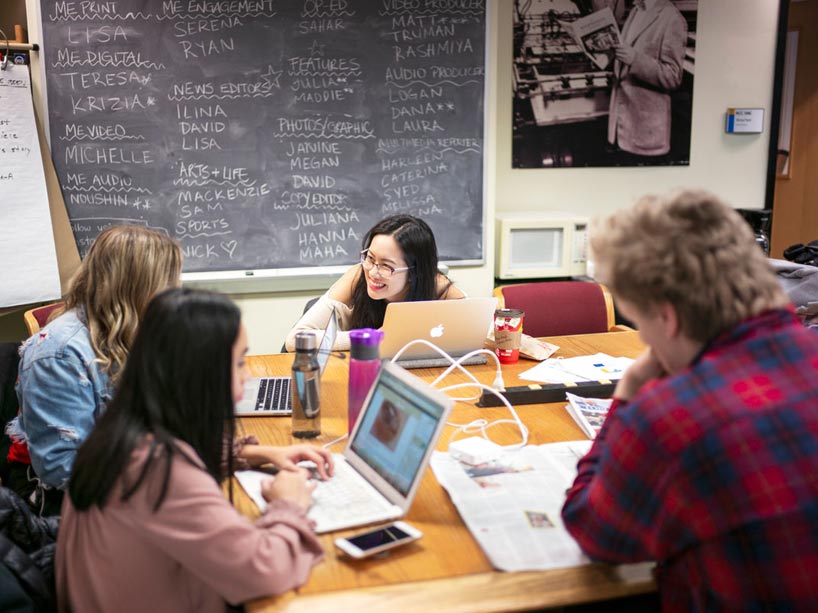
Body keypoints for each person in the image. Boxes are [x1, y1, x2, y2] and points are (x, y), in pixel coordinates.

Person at [561, 190, 818, 610]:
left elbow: (594, 531)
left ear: (668, 316)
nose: (644, 339)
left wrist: (627, 395)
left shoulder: (673, 414)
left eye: (640, 322)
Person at [57, 288, 333, 612]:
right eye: (240, 362)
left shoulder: (125, 427)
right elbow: (264, 569)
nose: (247, 375)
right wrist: (289, 504)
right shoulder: (159, 469)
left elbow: (189, 448)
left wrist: (259, 454)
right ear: (199, 372)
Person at [12, 225, 183, 515]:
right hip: (77, 507)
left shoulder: (132, 330)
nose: (175, 293)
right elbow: (62, 467)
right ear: (136, 287)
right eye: (167, 283)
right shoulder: (58, 355)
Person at [285, 214, 465, 351]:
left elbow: (480, 334)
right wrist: (373, 337)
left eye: (387, 266)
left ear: (413, 272)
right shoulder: (357, 277)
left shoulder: (438, 287)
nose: (372, 272)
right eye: (370, 258)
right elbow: (295, 339)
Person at [607, 0, 687, 158]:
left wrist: (635, 59)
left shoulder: (673, 18)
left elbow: (672, 77)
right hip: (620, 126)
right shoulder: (636, 10)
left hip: (644, 133)